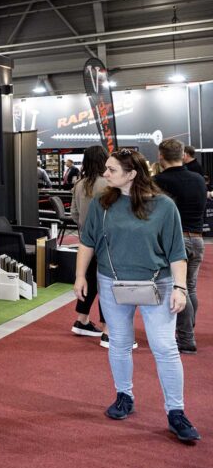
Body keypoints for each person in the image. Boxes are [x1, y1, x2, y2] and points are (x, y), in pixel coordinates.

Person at [74, 148, 200, 443]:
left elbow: (177, 253)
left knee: (164, 347)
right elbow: (87, 242)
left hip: (159, 284)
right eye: (106, 168)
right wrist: (80, 276)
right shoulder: (102, 204)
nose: (105, 174)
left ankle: (176, 412)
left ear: (131, 174)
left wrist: (180, 288)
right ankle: (124, 396)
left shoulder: (164, 206)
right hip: (111, 283)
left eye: (112, 170)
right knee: (118, 343)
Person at [154, 139, 206, 354]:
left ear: (161, 156)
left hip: (176, 242)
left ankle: (186, 338)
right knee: (189, 288)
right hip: (198, 239)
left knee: (178, 288)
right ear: (183, 155)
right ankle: (187, 331)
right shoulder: (198, 179)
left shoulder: (158, 181)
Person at [68, 145, 107, 342]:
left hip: (85, 240)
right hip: (107, 242)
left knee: (89, 280)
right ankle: (107, 329)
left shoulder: (79, 184)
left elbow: (74, 213)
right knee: (106, 283)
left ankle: (82, 320)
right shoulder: (109, 184)